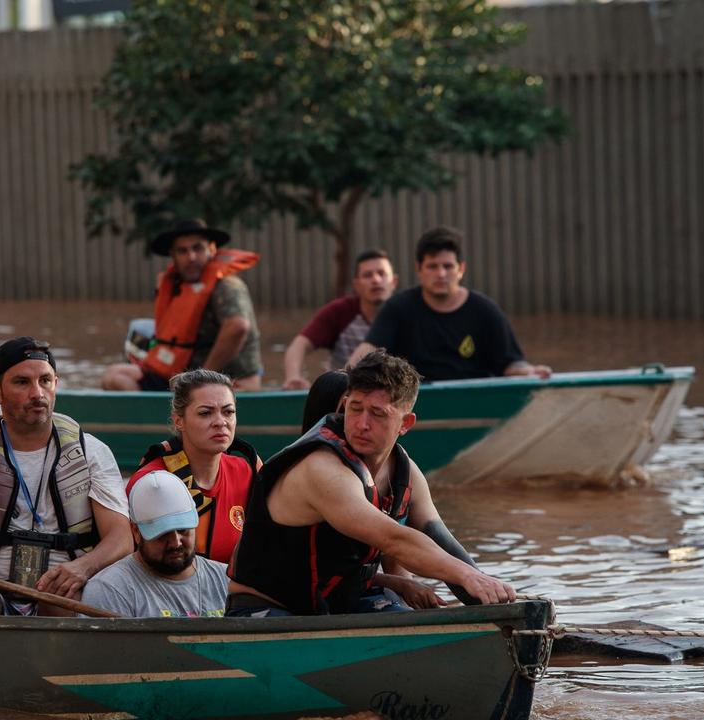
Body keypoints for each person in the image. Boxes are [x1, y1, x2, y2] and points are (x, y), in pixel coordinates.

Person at [227, 349, 516, 616]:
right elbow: (395, 539)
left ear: (406, 423)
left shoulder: (406, 471)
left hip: (339, 603)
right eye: (355, 408)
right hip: (267, 610)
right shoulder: (321, 469)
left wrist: (492, 605)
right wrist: (468, 576)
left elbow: (443, 543)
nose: (362, 424)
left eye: (378, 414)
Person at [0, 337, 133, 638]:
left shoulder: (93, 453)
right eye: (22, 382)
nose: (37, 393)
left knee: (62, 591)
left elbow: (121, 538)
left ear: (56, 383)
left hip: (65, 595)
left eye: (45, 380)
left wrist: (82, 568)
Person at [348, 227, 550, 382]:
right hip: (415, 406)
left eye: (448, 266)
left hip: (475, 403)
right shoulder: (398, 308)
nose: (441, 274)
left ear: (461, 268)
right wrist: (344, 377)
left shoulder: (485, 311)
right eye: (432, 266)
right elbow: (368, 350)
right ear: (419, 268)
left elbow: (510, 364)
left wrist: (530, 372)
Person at [102, 219, 263, 391]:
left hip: (226, 381)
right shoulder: (175, 285)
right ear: (173, 255)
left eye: (197, 248)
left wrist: (201, 379)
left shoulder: (226, 286)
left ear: (211, 249)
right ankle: (158, 416)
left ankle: (170, 410)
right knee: (114, 376)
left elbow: (237, 327)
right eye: (183, 251)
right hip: (183, 378)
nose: (191, 257)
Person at [126, 369, 259, 565]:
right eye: (205, 413)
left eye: (228, 412)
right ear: (179, 421)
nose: (221, 422)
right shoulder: (151, 482)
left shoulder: (246, 470)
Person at [81, 471, 230, 618]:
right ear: (136, 532)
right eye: (162, 534)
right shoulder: (109, 590)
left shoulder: (227, 580)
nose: (175, 542)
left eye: (183, 529)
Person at [282, 250, 397, 389]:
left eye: (382, 273)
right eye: (367, 275)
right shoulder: (340, 311)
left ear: (394, 281)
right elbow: (299, 345)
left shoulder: (406, 312)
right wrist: (293, 377)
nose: (376, 280)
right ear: (356, 285)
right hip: (344, 392)